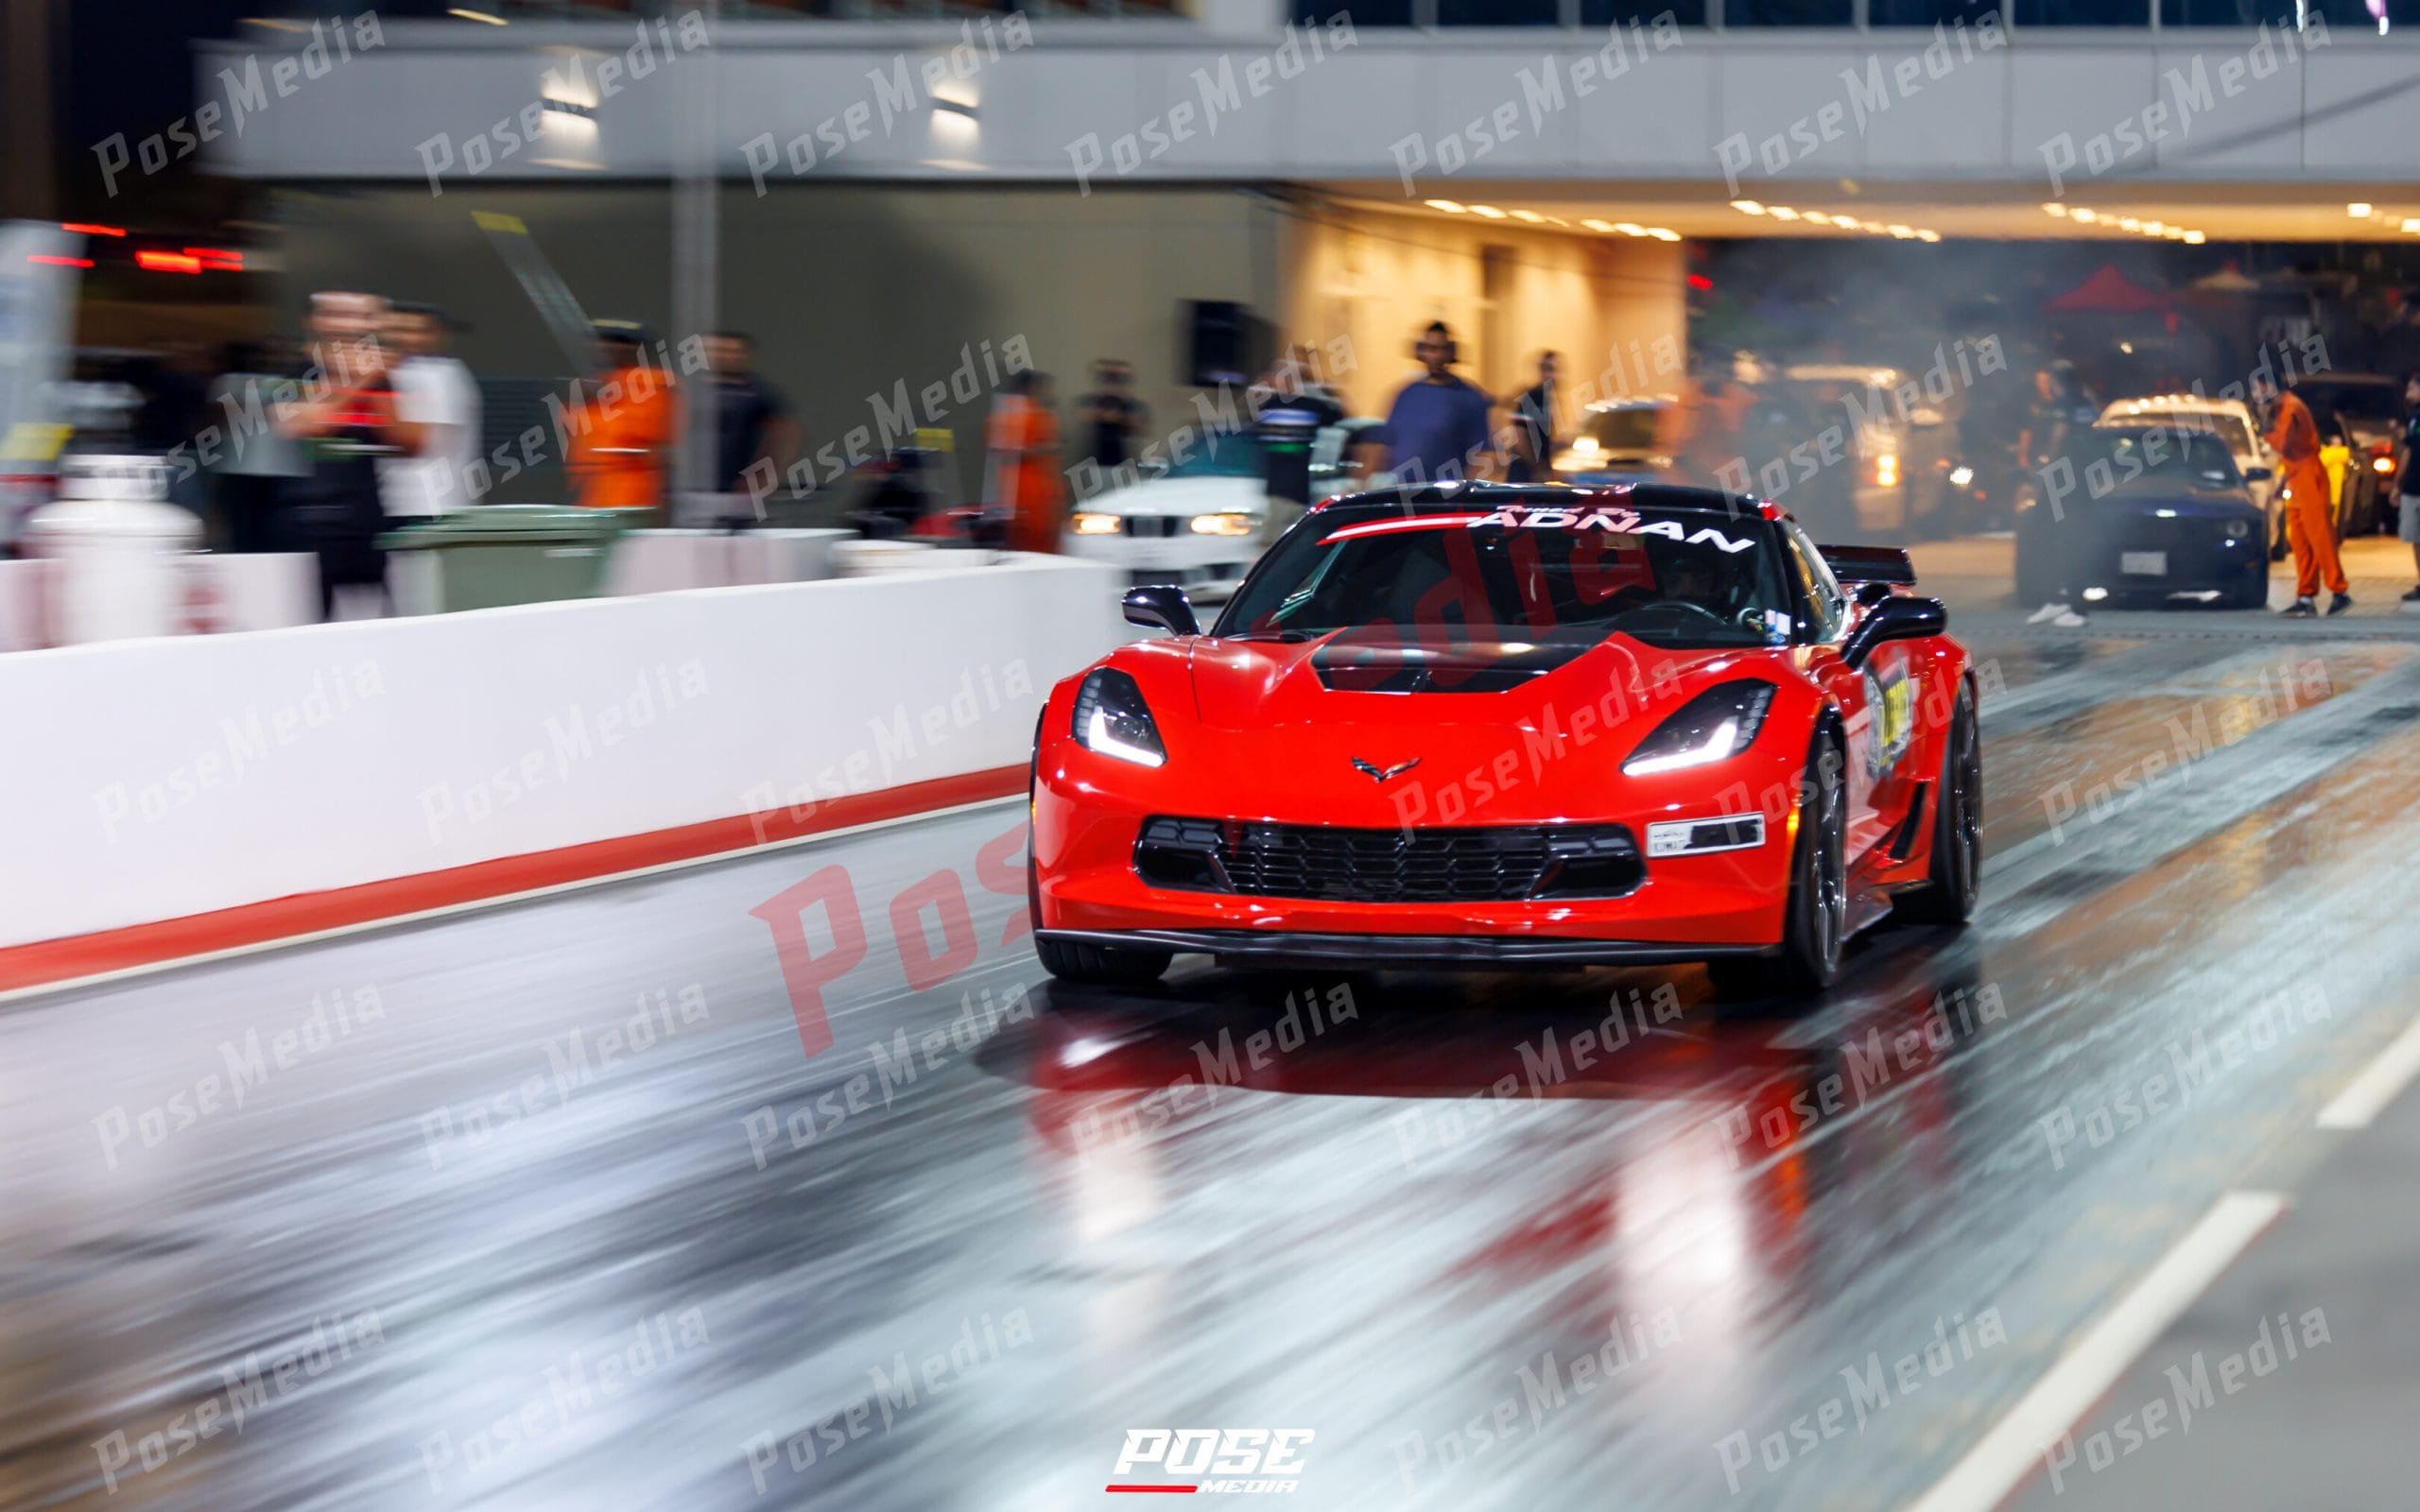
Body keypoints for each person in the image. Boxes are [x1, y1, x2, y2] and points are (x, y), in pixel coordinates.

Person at [274, 291, 406, 619]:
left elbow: (410, 442)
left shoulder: (380, 376)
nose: (345, 324)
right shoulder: (294, 371)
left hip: (363, 518)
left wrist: (377, 380)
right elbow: (305, 424)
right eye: (333, 314)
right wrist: (361, 379)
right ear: (312, 321)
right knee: (309, 626)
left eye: (355, 316)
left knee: (379, 625)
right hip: (304, 524)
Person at [378, 302, 482, 519]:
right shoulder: (398, 370)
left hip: (427, 506)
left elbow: (415, 441)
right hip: (399, 505)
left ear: (438, 335)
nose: (408, 339)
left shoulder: (440, 375)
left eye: (417, 331)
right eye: (398, 330)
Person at [2260, 373, 2351, 616]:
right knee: (2300, 541)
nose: (2256, 395)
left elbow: (2281, 443)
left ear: (2270, 387)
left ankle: (2339, 591)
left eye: (2258, 389)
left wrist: (2265, 423)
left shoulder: (2290, 408)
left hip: (2309, 475)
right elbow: (2288, 451)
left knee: (2320, 536)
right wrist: (2284, 481)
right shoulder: (2284, 408)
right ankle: (2306, 596)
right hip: (2297, 476)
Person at [566, 322, 677, 516]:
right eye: (602, 342)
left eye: (618, 342)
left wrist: (606, 398)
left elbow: (643, 432)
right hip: (594, 490)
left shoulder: (654, 382)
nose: (605, 348)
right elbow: (576, 433)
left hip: (632, 489)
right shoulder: (599, 385)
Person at [1380, 321, 1493, 484]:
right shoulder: (1405, 394)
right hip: (1402, 491)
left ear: (1452, 352)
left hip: (1443, 492)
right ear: (1420, 352)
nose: (1437, 356)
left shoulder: (1469, 397)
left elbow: (1481, 454)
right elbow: (1386, 444)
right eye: (1431, 349)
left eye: (1443, 349)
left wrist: (1466, 491)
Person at [705, 330, 798, 495]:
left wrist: (767, 475)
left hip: (736, 488)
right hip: (688, 484)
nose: (725, 356)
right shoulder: (689, 388)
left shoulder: (758, 392)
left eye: (733, 351)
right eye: (718, 350)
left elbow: (787, 432)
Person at [986, 369, 1066, 554]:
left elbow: (996, 449)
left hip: (1004, 490)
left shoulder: (999, 415)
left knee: (1012, 541)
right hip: (1034, 491)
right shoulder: (1037, 417)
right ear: (1032, 388)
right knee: (1038, 544)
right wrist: (1043, 449)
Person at [1077, 359, 1150, 472]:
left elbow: (1143, 429)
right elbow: (1082, 415)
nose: (1113, 381)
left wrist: (1118, 417)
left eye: (1120, 378)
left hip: (1125, 464)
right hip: (1095, 465)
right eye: (1107, 377)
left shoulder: (1132, 404)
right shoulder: (1091, 400)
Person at [1504, 351, 1559, 484]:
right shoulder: (1532, 397)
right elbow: (1519, 438)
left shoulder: (1546, 399)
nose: (1553, 375)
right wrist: (1539, 469)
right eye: (1548, 369)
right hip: (1525, 478)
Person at [2399, 371, 2420, 610]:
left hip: (2414, 486)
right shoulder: (2413, 417)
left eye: (2411, 389)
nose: (2408, 394)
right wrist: (2398, 484)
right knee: (2415, 537)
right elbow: (2408, 449)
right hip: (2413, 487)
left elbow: (2407, 452)